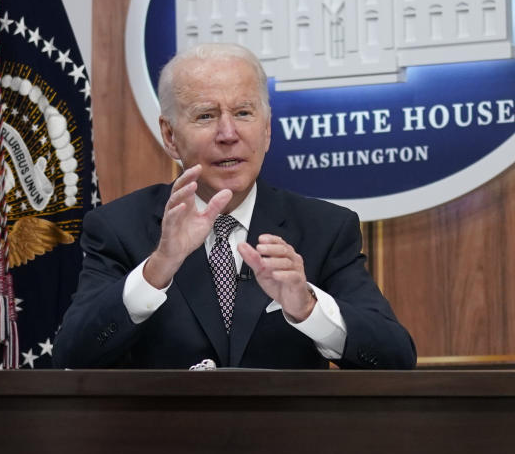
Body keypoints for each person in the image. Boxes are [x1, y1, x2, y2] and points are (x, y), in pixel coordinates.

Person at [53, 43, 415, 369]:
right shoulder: (118, 228)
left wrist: (307, 307)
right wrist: (157, 269)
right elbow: (72, 355)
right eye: (206, 116)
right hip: (161, 440)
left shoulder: (324, 229)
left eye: (243, 113)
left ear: (267, 129)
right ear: (170, 135)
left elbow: (395, 358)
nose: (228, 134)